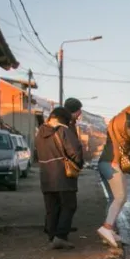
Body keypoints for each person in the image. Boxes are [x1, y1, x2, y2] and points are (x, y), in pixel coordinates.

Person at [98, 103, 130, 247]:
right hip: (111, 162)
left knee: (116, 198)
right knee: (120, 197)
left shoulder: (118, 118)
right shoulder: (125, 119)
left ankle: (109, 230)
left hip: (107, 162)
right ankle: (106, 228)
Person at [35, 107, 84, 250]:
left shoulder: (40, 133)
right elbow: (75, 152)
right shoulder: (62, 131)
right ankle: (61, 236)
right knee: (69, 205)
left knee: (52, 207)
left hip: (46, 176)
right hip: (62, 175)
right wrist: (78, 164)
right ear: (64, 119)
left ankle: (52, 236)